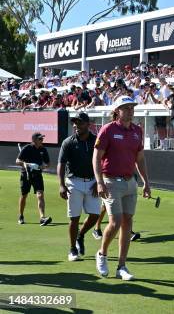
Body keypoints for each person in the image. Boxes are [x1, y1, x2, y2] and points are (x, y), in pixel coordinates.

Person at [93, 95, 151, 281]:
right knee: (115, 222)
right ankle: (102, 254)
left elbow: (140, 159)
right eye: (126, 108)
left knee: (128, 223)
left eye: (132, 107)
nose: (130, 111)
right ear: (117, 111)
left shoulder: (137, 131)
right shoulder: (108, 130)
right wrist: (100, 181)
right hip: (110, 181)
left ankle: (121, 266)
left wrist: (146, 182)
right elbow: (96, 157)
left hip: (130, 182)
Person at [57, 112, 100, 261]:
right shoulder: (68, 142)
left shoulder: (97, 141)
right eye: (74, 123)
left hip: (93, 183)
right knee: (74, 218)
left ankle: (80, 235)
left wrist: (99, 182)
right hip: (73, 182)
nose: (76, 125)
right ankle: (72, 249)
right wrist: (61, 185)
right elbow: (61, 164)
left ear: (88, 124)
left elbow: (104, 162)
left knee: (95, 215)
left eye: (80, 123)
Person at [16, 132, 52, 226]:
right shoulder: (27, 148)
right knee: (24, 195)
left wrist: (41, 167)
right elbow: (18, 161)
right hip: (26, 175)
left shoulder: (43, 149)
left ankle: (42, 218)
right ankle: (21, 215)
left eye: (42, 139)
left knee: (40, 195)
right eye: (40, 139)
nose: (42, 140)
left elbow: (48, 164)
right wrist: (27, 164)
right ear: (34, 140)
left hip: (37, 175)